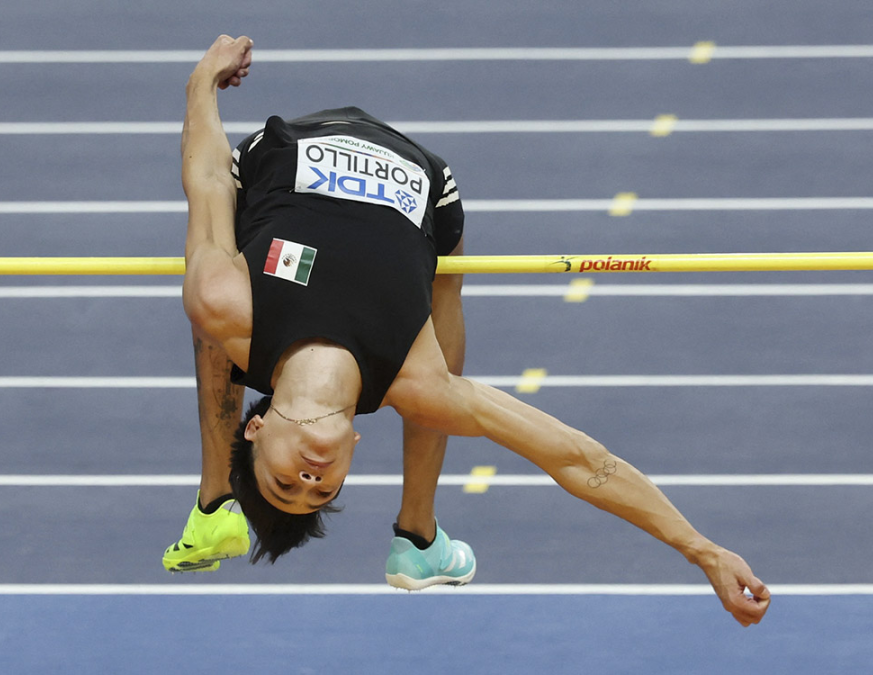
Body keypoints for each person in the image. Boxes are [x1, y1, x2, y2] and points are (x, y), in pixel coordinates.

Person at [164, 35, 771, 627]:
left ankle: (219, 495)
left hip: (286, 151)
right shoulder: (423, 382)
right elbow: (581, 461)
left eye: (284, 482)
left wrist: (202, 84)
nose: (309, 478)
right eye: (320, 492)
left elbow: (210, 181)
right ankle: (418, 536)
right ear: (352, 450)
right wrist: (703, 550)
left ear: (257, 426)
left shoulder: (228, 304)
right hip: (424, 180)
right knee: (440, 314)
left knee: (210, 312)